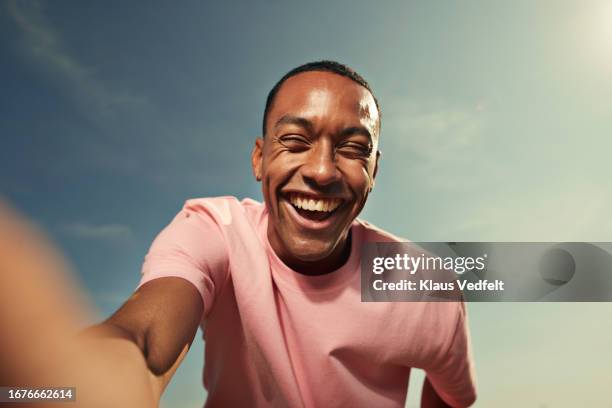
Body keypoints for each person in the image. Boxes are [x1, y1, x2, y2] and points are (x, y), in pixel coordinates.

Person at [0, 61, 476, 407]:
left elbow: (453, 395)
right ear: (259, 158)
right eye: (295, 141)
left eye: (353, 149)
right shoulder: (214, 232)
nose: (322, 170)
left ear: (374, 171)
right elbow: (144, 343)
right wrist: (64, 385)